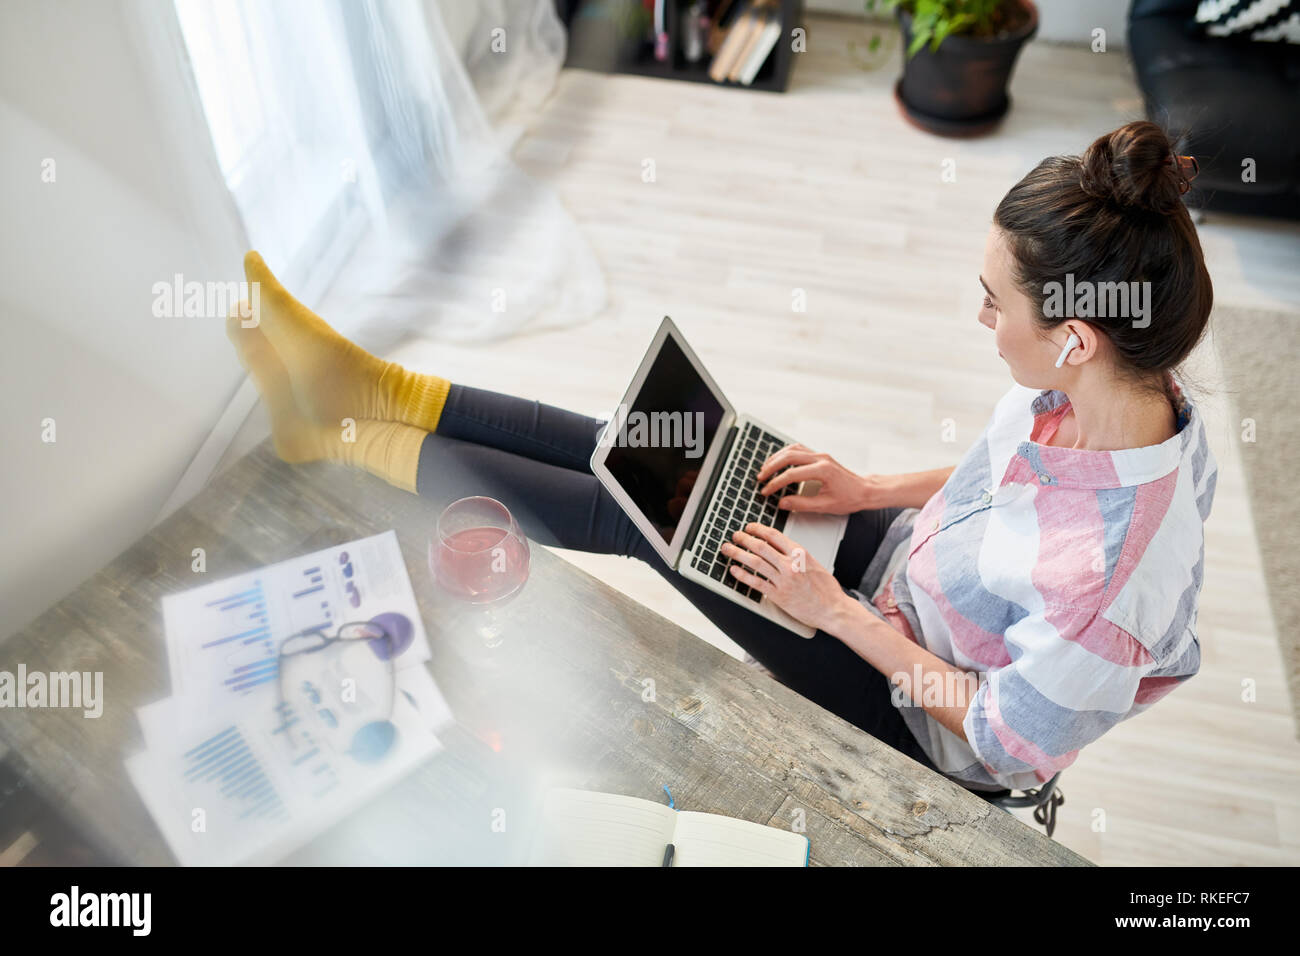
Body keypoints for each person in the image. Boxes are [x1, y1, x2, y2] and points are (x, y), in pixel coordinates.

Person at [227, 120, 1216, 796]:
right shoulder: (1123, 389)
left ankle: (345, 431)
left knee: (647, 515)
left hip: (920, 707)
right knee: (650, 449)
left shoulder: (1112, 585)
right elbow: (1003, 481)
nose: (982, 318)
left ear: (1075, 336)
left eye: (995, 301)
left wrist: (831, 610)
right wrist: (867, 487)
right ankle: (367, 388)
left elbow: (1006, 733)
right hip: (906, 577)